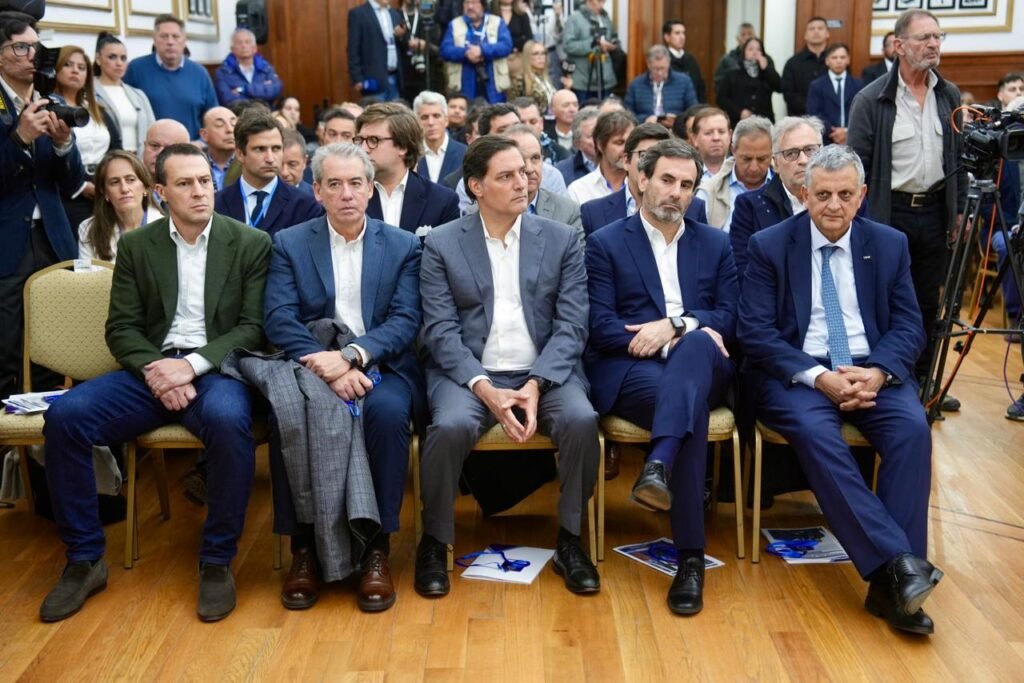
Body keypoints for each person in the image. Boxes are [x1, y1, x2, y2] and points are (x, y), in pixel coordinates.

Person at [39, 142, 271, 623]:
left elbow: (252, 328)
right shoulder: (138, 245)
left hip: (216, 370)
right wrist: (158, 370)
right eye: (185, 184)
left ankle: (217, 560)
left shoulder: (250, 242)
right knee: (65, 417)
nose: (199, 191)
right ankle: (84, 559)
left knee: (230, 424)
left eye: (205, 181)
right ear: (161, 192)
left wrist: (192, 366)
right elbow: (121, 328)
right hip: (151, 369)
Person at [738, 145, 942, 635]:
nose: (834, 205)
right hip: (799, 374)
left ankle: (891, 588)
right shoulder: (769, 245)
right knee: (816, 434)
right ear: (804, 193)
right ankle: (901, 572)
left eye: (845, 195)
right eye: (823, 194)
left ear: (862, 195)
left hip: (872, 369)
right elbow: (756, 332)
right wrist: (820, 377)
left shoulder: (889, 243)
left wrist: (880, 372)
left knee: (913, 430)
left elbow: (910, 325)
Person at [415, 135, 601, 598]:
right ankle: (435, 541)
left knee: (581, 420)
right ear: (476, 186)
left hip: (545, 371)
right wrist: (483, 387)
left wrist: (537, 383)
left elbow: (573, 324)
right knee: (450, 427)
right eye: (507, 176)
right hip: (469, 373)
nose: (524, 181)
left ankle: (571, 540)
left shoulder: (559, 238)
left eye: (524, 171)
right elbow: (439, 330)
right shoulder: (442, 243)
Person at [262, 142, 423, 613]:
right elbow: (279, 317)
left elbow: (406, 320)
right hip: (310, 365)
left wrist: (351, 356)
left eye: (356, 183)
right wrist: (326, 364)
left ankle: (376, 549)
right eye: (334, 184)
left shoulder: (403, 245)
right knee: (286, 415)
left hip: (381, 364)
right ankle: (305, 548)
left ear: (371, 189)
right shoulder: (289, 243)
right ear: (317, 191)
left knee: (387, 415)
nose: (346, 194)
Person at [585, 138, 737, 615]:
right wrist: (674, 337)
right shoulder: (606, 242)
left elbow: (731, 316)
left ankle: (659, 465)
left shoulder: (715, 243)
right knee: (690, 407)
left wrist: (676, 327)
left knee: (697, 341)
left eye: (687, 185)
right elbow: (600, 326)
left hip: (705, 363)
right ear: (642, 180)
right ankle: (690, 558)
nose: (677, 192)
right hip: (633, 370)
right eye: (667, 180)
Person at [848, 9, 966, 409]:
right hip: (889, 213)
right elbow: (856, 168)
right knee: (888, 300)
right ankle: (891, 378)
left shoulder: (949, 95)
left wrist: (959, 210)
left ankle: (926, 383)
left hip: (935, 211)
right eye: (924, 38)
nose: (933, 45)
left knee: (929, 302)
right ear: (899, 45)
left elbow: (959, 159)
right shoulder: (871, 99)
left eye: (938, 37)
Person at [0, 11, 86, 399]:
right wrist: (19, 138)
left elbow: (72, 183)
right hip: (8, 242)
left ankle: (45, 434)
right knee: (6, 350)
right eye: (21, 47)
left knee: (53, 349)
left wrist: (65, 144)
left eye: (36, 46)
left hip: (53, 237)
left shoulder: (51, 101)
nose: (33, 55)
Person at [730, 116, 822, 285]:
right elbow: (746, 275)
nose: (803, 160)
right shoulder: (749, 206)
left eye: (810, 150)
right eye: (791, 153)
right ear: (776, 163)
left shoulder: (846, 199)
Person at [581, 122, 707, 237]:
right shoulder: (594, 212)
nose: (651, 163)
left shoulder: (695, 207)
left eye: (660, 158)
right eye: (645, 155)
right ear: (626, 161)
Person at [356, 102, 460, 236]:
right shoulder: (350, 196)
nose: (363, 149)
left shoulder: (441, 200)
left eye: (374, 140)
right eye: (360, 140)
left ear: (403, 146)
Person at [214, 111, 322, 236]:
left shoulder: (304, 205)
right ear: (240, 154)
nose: (270, 159)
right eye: (260, 149)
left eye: (276, 149)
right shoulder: (217, 204)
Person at [53, 45, 122, 233]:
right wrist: (82, 185)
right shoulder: (49, 107)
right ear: (56, 69)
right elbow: (52, 153)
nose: (75, 70)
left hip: (104, 185)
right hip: (69, 191)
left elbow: (116, 147)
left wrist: (110, 180)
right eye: (68, 65)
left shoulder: (97, 109)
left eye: (81, 67)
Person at [124, 14, 218, 140]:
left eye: (175, 36)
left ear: (184, 41)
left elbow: (213, 117)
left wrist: (202, 143)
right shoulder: (136, 69)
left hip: (192, 147)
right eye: (164, 36)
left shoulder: (200, 73)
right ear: (154, 40)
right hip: (153, 147)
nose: (170, 42)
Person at [503, 123, 583, 246]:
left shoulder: (568, 212)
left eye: (535, 158)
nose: (529, 169)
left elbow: (576, 256)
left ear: (542, 159)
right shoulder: (484, 211)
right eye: (520, 159)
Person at [78, 150, 163, 262]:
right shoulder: (89, 229)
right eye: (115, 182)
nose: (124, 189)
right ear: (105, 192)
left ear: (145, 187)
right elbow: (86, 273)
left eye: (130, 180)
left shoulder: (167, 228)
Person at [697, 115, 774, 231]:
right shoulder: (708, 193)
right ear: (733, 150)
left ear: (773, 152)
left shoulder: (788, 187)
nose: (754, 168)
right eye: (747, 159)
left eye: (761, 159)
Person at [93, 32, 155, 158]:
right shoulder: (88, 94)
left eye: (123, 58)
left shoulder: (138, 95)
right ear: (98, 59)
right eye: (112, 57)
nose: (119, 63)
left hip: (139, 161)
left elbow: (153, 130)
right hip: (106, 160)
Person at [440, 0, 513, 104]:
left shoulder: (497, 22)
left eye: (474, 2)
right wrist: (465, 53)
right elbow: (445, 50)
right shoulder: (455, 24)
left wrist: (482, 50)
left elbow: (506, 46)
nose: (470, 6)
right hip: (464, 83)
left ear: (483, 5)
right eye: (466, 3)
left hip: (493, 84)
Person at [566, 110, 634, 205]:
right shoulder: (578, 190)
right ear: (600, 145)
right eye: (619, 143)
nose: (627, 148)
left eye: (631, 142)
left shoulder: (644, 186)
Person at [347, 0, 407, 102]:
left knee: (395, 111)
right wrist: (357, 78)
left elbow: (402, 45)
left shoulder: (395, 14)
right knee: (376, 111)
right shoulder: (358, 14)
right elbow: (353, 48)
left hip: (395, 77)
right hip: (373, 78)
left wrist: (401, 36)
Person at [624, 45, 698, 124]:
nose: (659, 73)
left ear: (668, 63)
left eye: (663, 68)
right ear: (648, 64)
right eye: (656, 69)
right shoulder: (636, 85)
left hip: (674, 128)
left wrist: (677, 120)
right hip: (646, 127)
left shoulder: (684, 81)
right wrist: (645, 119)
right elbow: (627, 114)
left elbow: (693, 111)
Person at [716, 37, 781, 127]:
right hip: (739, 123)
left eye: (758, 49)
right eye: (750, 49)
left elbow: (779, 87)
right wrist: (739, 112)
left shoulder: (766, 72)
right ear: (744, 52)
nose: (755, 52)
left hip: (764, 123)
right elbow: (721, 99)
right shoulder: (733, 74)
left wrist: (767, 69)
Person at [806, 44, 863, 145]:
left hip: (852, 139)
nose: (839, 61)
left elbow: (861, 112)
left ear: (848, 60)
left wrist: (846, 131)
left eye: (842, 57)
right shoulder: (816, 85)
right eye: (834, 57)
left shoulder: (858, 84)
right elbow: (813, 113)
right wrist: (833, 132)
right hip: (826, 139)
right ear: (827, 61)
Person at [561, 0, 617, 101]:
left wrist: (612, 46)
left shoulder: (605, 17)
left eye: (603, 1)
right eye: (599, 1)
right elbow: (567, 45)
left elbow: (614, 37)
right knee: (585, 109)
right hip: (583, 80)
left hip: (605, 78)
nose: (602, 4)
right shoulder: (575, 18)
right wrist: (592, 44)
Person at [214, 28, 283, 107]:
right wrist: (261, 92)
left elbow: (275, 90)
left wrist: (243, 89)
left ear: (255, 48)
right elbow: (227, 98)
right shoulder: (223, 72)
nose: (243, 46)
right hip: (238, 113)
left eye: (247, 42)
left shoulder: (266, 69)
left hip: (266, 113)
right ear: (232, 49)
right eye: (239, 42)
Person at [413, 90, 467, 183]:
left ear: (446, 120)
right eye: (424, 117)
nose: (431, 122)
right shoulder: (411, 154)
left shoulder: (464, 153)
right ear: (417, 122)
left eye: (436, 116)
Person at [781, 16, 830, 117]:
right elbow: (788, 94)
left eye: (820, 28)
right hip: (800, 119)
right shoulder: (792, 63)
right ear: (805, 35)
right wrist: (812, 108)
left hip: (831, 120)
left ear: (827, 34)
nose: (816, 32)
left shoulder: (836, 61)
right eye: (812, 29)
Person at [713, 23, 776, 100]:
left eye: (750, 34)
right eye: (743, 35)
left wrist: (766, 69)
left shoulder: (765, 59)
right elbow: (719, 84)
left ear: (755, 37)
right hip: (735, 103)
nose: (746, 37)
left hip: (761, 103)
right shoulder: (728, 59)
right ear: (737, 38)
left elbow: (775, 84)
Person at [142, 119, 190, 212]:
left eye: (169, 149)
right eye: (154, 146)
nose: (160, 153)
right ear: (145, 146)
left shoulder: (195, 193)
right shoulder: (127, 189)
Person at [507, 39, 559, 115]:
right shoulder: (520, 81)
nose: (541, 57)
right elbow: (514, 110)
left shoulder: (545, 79)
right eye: (536, 54)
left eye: (543, 53)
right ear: (527, 56)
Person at [662, 20, 705, 104]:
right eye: (677, 33)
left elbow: (700, 86)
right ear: (667, 37)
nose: (682, 37)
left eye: (683, 33)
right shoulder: (663, 60)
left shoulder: (691, 59)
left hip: (692, 106)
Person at [199, 106, 237, 191]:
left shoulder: (248, 163)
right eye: (219, 125)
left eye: (234, 124)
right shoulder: (195, 164)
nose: (230, 130)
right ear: (204, 135)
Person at [689, 107, 731, 182]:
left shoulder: (740, 172)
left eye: (721, 132)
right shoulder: (686, 172)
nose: (716, 138)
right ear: (695, 139)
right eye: (708, 133)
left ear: (730, 136)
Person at [548, 88, 580, 156]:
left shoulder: (584, 137)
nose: (572, 109)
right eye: (566, 105)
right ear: (552, 110)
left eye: (575, 105)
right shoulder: (546, 139)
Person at [280, 129, 313, 193]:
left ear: (304, 162)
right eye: (279, 164)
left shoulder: (316, 197)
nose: (284, 173)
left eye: (292, 165)